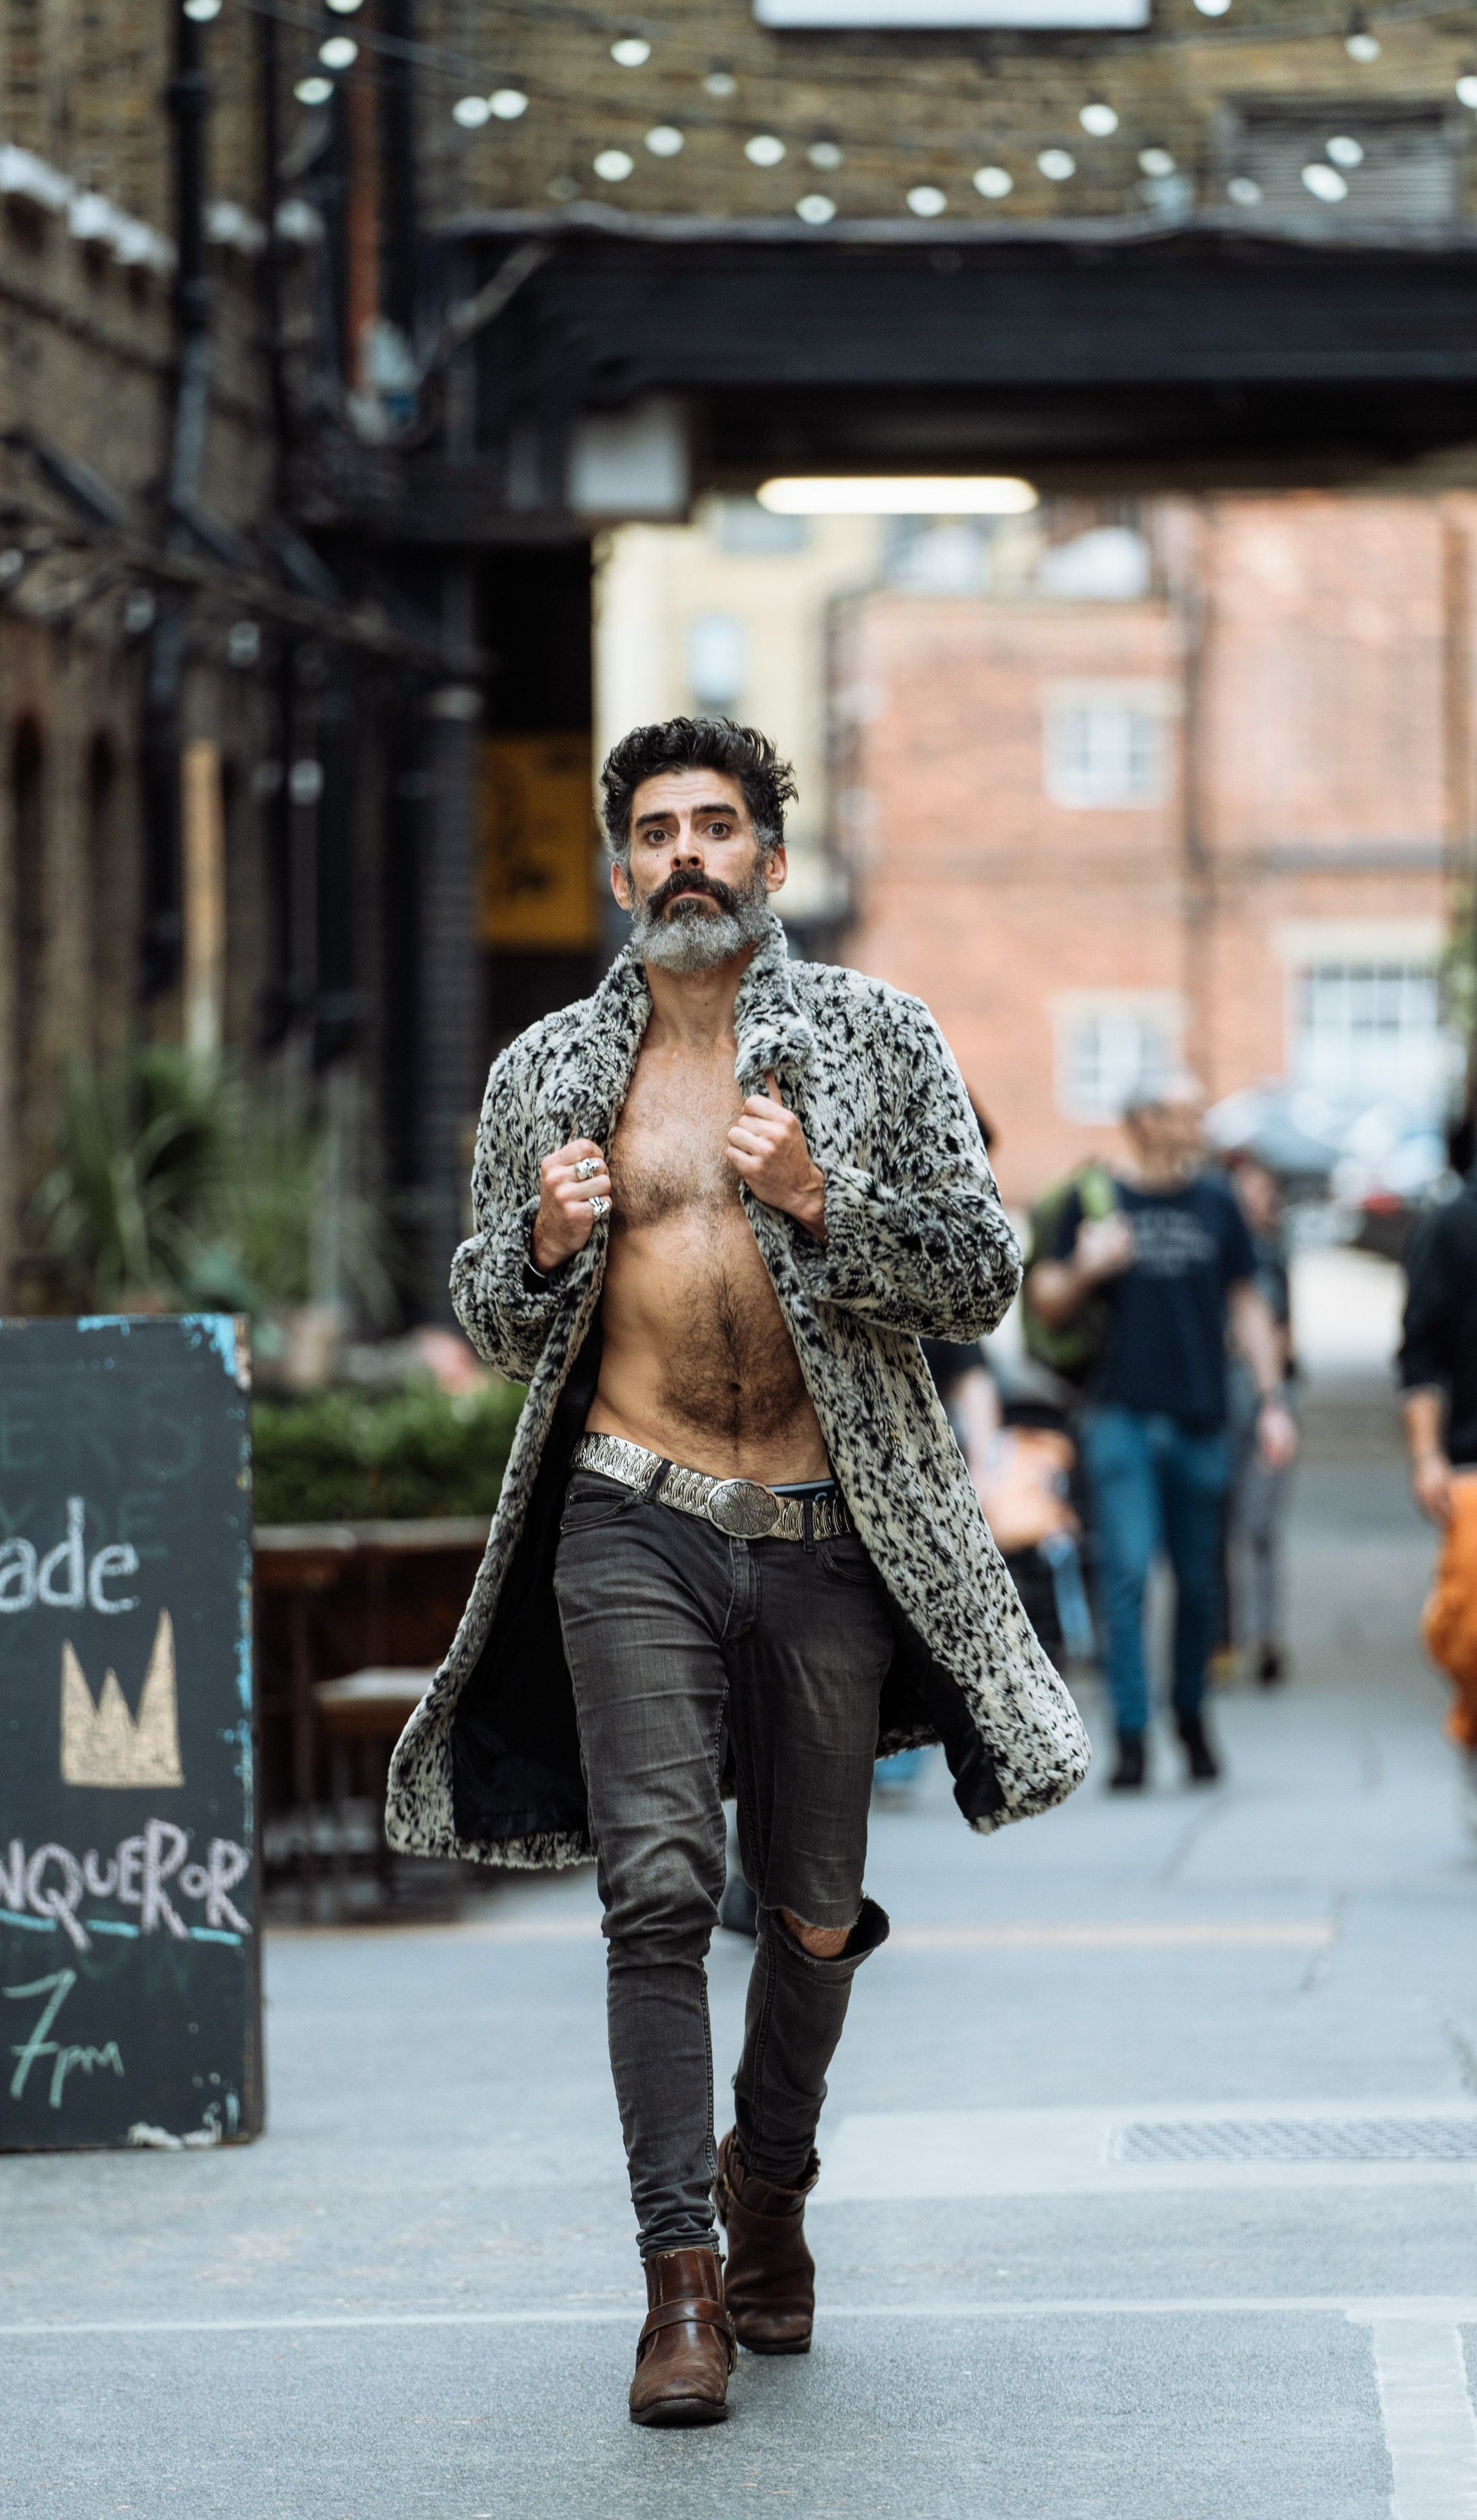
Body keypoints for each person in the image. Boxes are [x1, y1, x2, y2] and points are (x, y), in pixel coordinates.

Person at [386, 716, 1089, 2427]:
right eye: (656, 831)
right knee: (651, 1894)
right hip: (630, 1518)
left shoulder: (874, 1038)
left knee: (816, 1909)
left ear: (771, 856)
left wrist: (827, 1202)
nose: (685, 854)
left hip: (828, 1530)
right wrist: (546, 1246)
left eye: (718, 826)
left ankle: (772, 2182)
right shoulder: (549, 1071)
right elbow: (488, 1306)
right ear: (624, 869)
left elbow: (987, 1273)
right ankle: (679, 2282)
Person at [1026, 1078, 1297, 1792]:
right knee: (1127, 1572)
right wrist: (1088, 1265)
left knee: (1201, 1582)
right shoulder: (1095, 1199)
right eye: (1184, 1113)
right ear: (1141, 1123)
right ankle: (1134, 1735)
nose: (1198, 1124)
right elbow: (1045, 1302)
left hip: (1202, 1420)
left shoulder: (1217, 1202)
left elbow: (1247, 1304)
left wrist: (1272, 1399)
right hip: (1119, 1416)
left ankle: (1189, 1714)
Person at [1399, 1143, 1477, 1820]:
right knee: (1469, 1632)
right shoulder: (1454, 1223)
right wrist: (1425, 1456)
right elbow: (1420, 1349)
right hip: (1472, 1466)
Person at [1219, 1153, 1295, 1688]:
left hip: (1266, 1407)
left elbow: (1288, 1332)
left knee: (1262, 1527)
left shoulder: (1274, 1258)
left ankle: (1266, 1637)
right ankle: (1222, 1640)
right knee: (1219, 1531)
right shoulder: (1214, 1253)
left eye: (1262, 1188)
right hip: (1217, 1408)